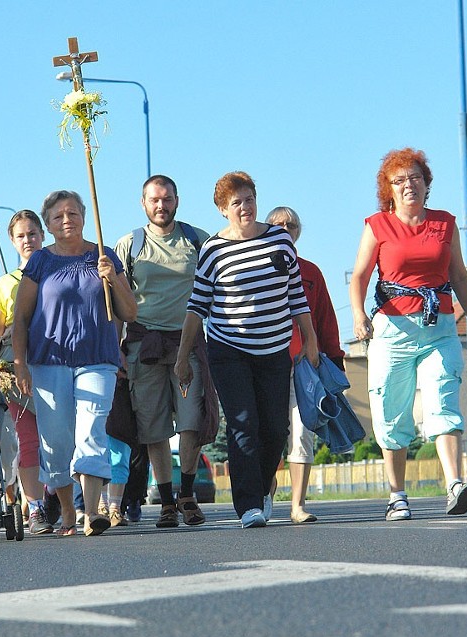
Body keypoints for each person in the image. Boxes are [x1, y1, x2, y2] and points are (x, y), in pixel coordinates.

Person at [349, 148, 467, 521]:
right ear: (389, 190)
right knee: (392, 412)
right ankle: (397, 495)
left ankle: (455, 485)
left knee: (443, 399)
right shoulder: (378, 225)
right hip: (392, 329)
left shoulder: (444, 224)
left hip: (439, 327)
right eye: (399, 180)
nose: (409, 185)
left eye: (415, 178)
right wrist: (360, 315)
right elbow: (360, 276)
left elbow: (458, 277)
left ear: (427, 184)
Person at [175, 171, 319, 528]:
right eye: (237, 202)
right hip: (229, 349)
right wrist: (182, 358)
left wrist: (310, 339)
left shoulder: (279, 241)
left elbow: (296, 294)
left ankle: (264, 486)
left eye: (250, 199)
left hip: (274, 348)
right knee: (243, 425)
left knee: (275, 430)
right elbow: (197, 306)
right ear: (224, 209)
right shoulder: (213, 250)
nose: (246, 207)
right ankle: (249, 505)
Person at [12, 190, 137, 537]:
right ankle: (67, 508)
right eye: (58, 216)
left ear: (85, 216)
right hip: (48, 361)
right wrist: (20, 363)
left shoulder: (104, 256)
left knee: (92, 429)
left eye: (72, 213)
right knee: (55, 440)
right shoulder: (40, 262)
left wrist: (112, 277)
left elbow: (129, 311)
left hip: (98, 357)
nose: (66, 220)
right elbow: (20, 318)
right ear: (48, 225)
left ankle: (92, 511)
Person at [114, 174, 217, 529]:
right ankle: (168, 501)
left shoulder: (197, 240)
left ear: (177, 200)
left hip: (186, 345)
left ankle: (187, 492)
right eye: (154, 199)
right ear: (143, 203)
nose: (162, 205)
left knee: (191, 422)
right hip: (143, 346)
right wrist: (116, 351)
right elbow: (116, 303)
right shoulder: (129, 245)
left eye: (167, 199)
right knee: (153, 427)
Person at [265, 206, 345, 524]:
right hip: (266, 363)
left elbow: (324, 318)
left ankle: (297, 504)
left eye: (292, 224)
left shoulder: (311, 272)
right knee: (269, 434)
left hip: (304, 367)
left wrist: (334, 359)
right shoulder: (256, 267)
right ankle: (264, 497)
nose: (286, 227)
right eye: (278, 223)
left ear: (298, 231)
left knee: (301, 434)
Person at [0, 209, 53, 534]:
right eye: (21, 236)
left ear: (43, 235)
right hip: (17, 366)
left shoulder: (59, 272)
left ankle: (65, 499)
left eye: (33, 233)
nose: (28, 240)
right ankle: (36, 508)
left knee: (60, 436)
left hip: (56, 361)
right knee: (28, 439)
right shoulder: (3, 284)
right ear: (12, 242)